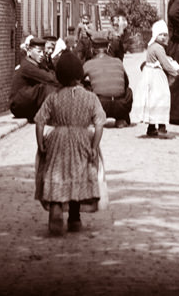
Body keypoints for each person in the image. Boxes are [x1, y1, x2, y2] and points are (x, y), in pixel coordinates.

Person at [35, 52, 106, 235]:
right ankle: (74, 218)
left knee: (57, 172)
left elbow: (40, 120)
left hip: (58, 138)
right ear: (79, 74)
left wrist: (41, 143)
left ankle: (56, 208)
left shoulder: (54, 97)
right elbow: (99, 124)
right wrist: (94, 146)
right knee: (78, 173)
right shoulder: (90, 98)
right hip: (82, 138)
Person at [137, 19, 179, 137]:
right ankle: (162, 126)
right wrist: (174, 72)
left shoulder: (152, 47)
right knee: (162, 97)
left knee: (152, 100)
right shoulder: (158, 48)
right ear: (155, 35)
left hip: (150, 75)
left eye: (165, 35)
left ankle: (151, 127)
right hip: (156, 77)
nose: (163, 37)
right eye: (160, 34)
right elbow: (165, 63)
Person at [84, 31, 133, 127]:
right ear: (107, 48)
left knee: (84, 88)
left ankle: (92, 118)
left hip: (101, 105)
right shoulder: (118, 61)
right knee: (128, 91)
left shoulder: (89, 64)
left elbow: (77, 80)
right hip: (121, 105)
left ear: (92, 50)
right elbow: (126, 83)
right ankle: (121, 118)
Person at [10, 37, 58, 122]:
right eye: (39, 51)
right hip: (18, 106)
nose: (42, 54)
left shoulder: (35, 64)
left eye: (43, 52)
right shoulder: (28, 66)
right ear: (29, 51)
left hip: (25, 101)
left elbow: (51, 73)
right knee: (44, 88)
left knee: (46, 87)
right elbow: (50, 78)